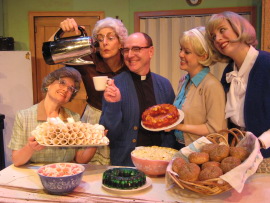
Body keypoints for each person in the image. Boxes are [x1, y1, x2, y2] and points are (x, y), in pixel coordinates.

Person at [53, 17, 129, 165]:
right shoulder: (88, 60)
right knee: (90, 167)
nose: (104, 43)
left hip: (121, 117)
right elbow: (54, 56)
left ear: (120, 43)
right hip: (93, 117)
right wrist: (60, 31)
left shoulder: (129, 64)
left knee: (118, 164)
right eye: (100, 39)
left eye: (111, 38)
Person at [100, 32, 177, 166]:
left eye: (136, 49)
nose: (129, 55)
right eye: (126, 50)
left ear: (150, 51)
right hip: (126, 164)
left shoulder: (164, 85)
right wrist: (114, 104)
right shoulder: (114, 85)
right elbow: (108, 135)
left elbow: (172, 127)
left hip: (161, 163)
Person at [205, 11, 270, 161]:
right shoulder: (228, 71)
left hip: (266, 156)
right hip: (237, 153)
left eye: (222, 30)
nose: (218, 39)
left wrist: (260, 142)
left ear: (239, 28)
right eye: (213, 37)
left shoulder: (266, 64)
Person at [8, 67, 97, 167]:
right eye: (62, 82)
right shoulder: (24, 117)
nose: (65, 89)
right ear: (48, 85)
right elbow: (16, 160)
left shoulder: (74, 118)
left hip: (65, 172)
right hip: (35, 174)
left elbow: (80, 159)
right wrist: (30, 148)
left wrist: (96, 140)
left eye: (71, 88)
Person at [165, 27, 227, 146]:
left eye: (187, 52)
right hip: (181, 147)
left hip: (202, 154)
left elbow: (214, 129)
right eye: (181, 49)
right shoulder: (184, 81)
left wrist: (178, 126)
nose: (180, 54)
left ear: (203, 56)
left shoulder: (212, 86)